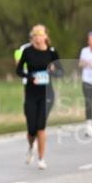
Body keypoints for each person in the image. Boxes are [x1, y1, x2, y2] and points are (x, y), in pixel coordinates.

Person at [16, 25, 63, 169]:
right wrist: (29, 76)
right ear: (32, 37)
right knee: (31, 129)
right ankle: (31, 146)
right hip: (30, 93)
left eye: (40, 34)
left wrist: (52, 73)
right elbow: (18, 70)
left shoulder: (52, 52)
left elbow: (61, 71)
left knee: (41, 127)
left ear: (45, 37)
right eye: (34, 35)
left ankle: (41, 159)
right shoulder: (27, 52)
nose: (37, 37)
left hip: (47, 94)